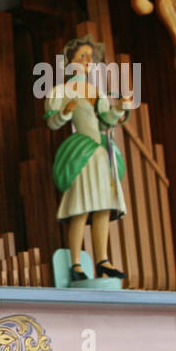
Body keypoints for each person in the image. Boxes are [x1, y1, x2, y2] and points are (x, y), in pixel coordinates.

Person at [44, 35, 129, 282]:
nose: (88, 61)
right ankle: (76, 263)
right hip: (81, 151)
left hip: (101, 151)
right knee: (79, 208)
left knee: (103, 206)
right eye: (82, 56)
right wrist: (65, 112)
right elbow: (53, 121)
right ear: (69, 62)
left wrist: (120, 107)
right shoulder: (62, 90)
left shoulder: (96, 91)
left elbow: (107, 120)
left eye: (90, 57)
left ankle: (102, 259)